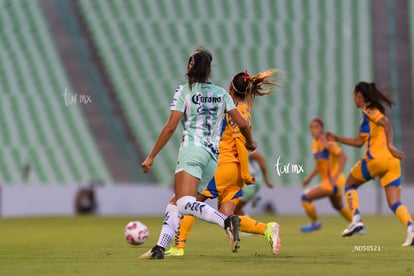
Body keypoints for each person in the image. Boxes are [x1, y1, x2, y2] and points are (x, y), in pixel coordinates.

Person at [138, 48, 257, 260]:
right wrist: (250, 142)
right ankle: (160, 248)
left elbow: (170, 127)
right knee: (176, 203)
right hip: (212, 158)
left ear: (188, 67)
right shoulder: (222, 93)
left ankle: (226, 221)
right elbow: (242, 123)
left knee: (183, 202)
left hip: (192, 151)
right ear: (209, 70)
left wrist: (151, 156)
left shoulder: (184, 91)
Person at [165, 69, 282, 257]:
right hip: (234, 174)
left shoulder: (232, 109)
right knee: (227, 217)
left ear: (230, 88)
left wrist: (245, 172)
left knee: (188, 201)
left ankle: (178, 247)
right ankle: (267, 229)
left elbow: (240, 143)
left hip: (223, 166)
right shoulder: (244, 110)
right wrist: (242, 173)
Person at [327, 82, 414, 246]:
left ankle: (356, 220)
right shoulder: (367, 116)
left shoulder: (370, 110)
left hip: (376, 158)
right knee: (394, 202)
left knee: (350, 185)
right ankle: (411, 229)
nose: (353, 99)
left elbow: (386, 124)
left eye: (354, 95)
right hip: (392, 162)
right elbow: (359, 141)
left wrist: (390, 144)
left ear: (359, 95)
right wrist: (337, 138)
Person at [300, 117, 353, 233]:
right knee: (338, 206)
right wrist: (309, 178)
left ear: (322, 129)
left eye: (316, 127)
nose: (313, 130)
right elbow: (320, 165)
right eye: (311, 127)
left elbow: (343, 157)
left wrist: (334, 177)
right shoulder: (315, 144)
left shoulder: (328, 142)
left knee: (305, 198)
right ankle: (358, 224)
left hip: (333, 182)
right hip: (331, 182)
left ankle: (315, 223)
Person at [234, 150, 273, 216]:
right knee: (234, 209)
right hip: (243, 182)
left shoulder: (244, 146)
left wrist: (266, 179)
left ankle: (251, 224)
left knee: (234, 208)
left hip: (250, 182)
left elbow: (259, 159)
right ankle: (255, 196)